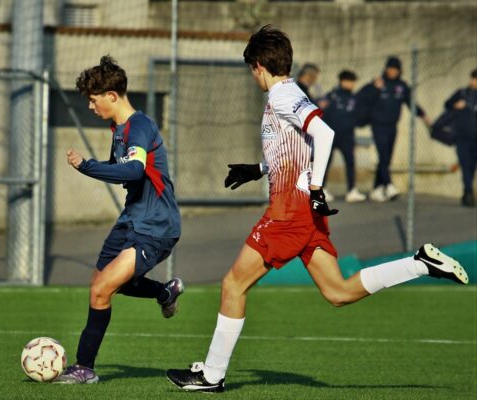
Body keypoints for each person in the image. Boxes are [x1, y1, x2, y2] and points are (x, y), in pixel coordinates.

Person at [165, 25, 468, 393]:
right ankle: (420, 263)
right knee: (337, 292)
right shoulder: (291, 92)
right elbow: (298, 147)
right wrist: (258, 169)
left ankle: (212, 375)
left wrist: (315, 187)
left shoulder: (281, 96)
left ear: (259, 65)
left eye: (251, 70)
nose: (252, 77)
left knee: (232, 283)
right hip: (304, 211)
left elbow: (324, 134)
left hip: (290, 211)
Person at [55, 56, 183, 384]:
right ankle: (163, 292)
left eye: (93, 99)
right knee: (104, 285)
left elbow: (134, 170)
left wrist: (87, 165)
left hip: (155, 226)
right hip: (131, 220)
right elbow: (122, 171)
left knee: (101, 288)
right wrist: (99, 166)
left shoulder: (139, 126)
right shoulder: (120, 129)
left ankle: (85, 368)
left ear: (112, 96)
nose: (90, 106)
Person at [359, 56, 431, 202]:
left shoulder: (402, 86)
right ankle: (389, 185)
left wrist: (423, 115)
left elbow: (411, 103)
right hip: (378, 125)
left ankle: (377, 188)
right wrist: (374, 87)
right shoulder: (378, 82)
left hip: (392, 125)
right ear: (386, 69)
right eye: (390, 69)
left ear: (399, 71)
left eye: (395, 69)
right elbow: (362, 97)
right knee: (383, 155)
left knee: (386, 157)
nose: (392, 72)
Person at [321, 69, 366, 203]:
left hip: (347, 137)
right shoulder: (332, 96)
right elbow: (323, 112)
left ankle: (352, 190)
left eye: (353, 82)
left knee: (350, 162)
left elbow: (358, 116)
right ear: (342, 81)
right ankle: (321, 189)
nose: (351, 84)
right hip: (331, 136)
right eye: (349, 81)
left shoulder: (354, 98)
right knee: (325, 162)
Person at [444, 69, 477, 207]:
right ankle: (468, 192)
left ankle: (467, 191)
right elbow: (447, 104)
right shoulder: (462, 93)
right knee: (465, 164)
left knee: (472, 166)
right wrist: (456, 105)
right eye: (474, 79)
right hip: (462, 137)